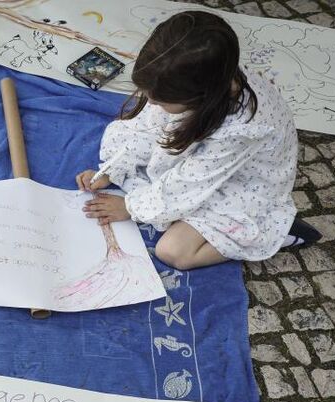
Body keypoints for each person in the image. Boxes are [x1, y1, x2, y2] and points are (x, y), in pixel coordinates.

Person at [76, 10, 320, 270]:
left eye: (159, 100)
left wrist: (130, 206)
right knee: (152, 178)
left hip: (243, 183)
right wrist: (114, 168)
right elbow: (148, 127)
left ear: (199, 98)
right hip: (210, 161)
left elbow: (190, 183)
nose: (152, 103)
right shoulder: (202, 78)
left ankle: (276, 232)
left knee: (174, 252)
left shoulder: (241, 129)